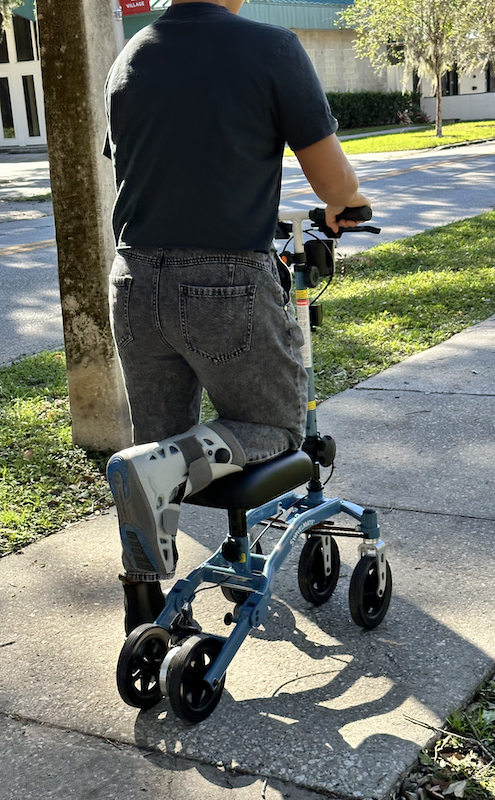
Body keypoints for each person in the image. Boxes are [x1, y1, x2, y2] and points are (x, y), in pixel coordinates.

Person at [103, 0, 370, 634]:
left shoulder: (131, 56)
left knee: (156, 444)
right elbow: (332, 181)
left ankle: (148, 608)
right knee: (276, 426)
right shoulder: (270, 48)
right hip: (223, 283)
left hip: (134, 278)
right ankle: (157, 470)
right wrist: (348, 204)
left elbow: (144, 165)